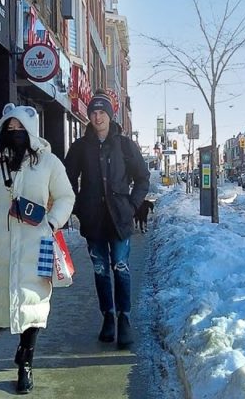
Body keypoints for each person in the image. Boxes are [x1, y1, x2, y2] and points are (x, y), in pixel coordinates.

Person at [0, 104, 75, 394]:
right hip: (4, 243)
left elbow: (65, 197)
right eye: (11, 128)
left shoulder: (49, 162)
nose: (16, 133)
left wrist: (51, 224)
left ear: (30, 130)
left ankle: (26, 363)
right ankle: (22, 348)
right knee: (6, 296)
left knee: (35, 301)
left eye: (21, 128)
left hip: (38, 243)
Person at [65, 91, 150, 349]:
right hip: (93, 222)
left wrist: (133, 205)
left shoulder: (125, 146)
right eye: (93, 112)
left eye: (102, 112)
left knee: (120, 267)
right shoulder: (80, 147)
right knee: (101, 270)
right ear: (89, 116)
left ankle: (124, 317)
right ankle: (108, 317)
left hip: (119, 220)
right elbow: (66, 180)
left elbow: (143, 178)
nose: (97, 116)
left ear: (110, 115)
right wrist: (79, 206)